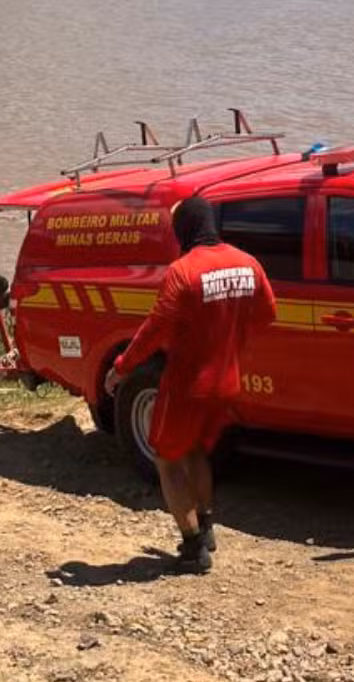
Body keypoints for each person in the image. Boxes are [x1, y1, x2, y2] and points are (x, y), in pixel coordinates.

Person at [105, 196, 275, 574]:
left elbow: (153, 330)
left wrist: (121, 368)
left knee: (166, 459)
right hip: (227, 382)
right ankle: (207, 524)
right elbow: (268, 313)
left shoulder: (182, 271)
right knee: (197, 450)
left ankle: (193, 548)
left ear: (183, 229)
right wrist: (230, 340)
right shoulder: (247, 263)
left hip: (186, 385)